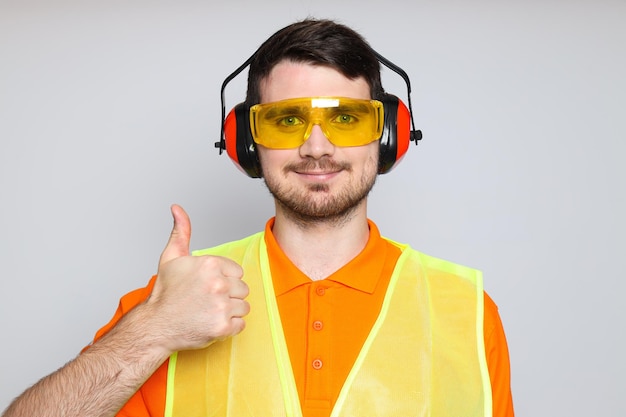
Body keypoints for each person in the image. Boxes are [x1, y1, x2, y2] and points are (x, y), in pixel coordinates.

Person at [3, 19, 514, 417]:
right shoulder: (173, 300)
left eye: (345, 118)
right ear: (246, 143)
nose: (318, 147)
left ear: (388, 136)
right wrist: (154, 330)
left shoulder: (467, 314)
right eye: (287, 120)